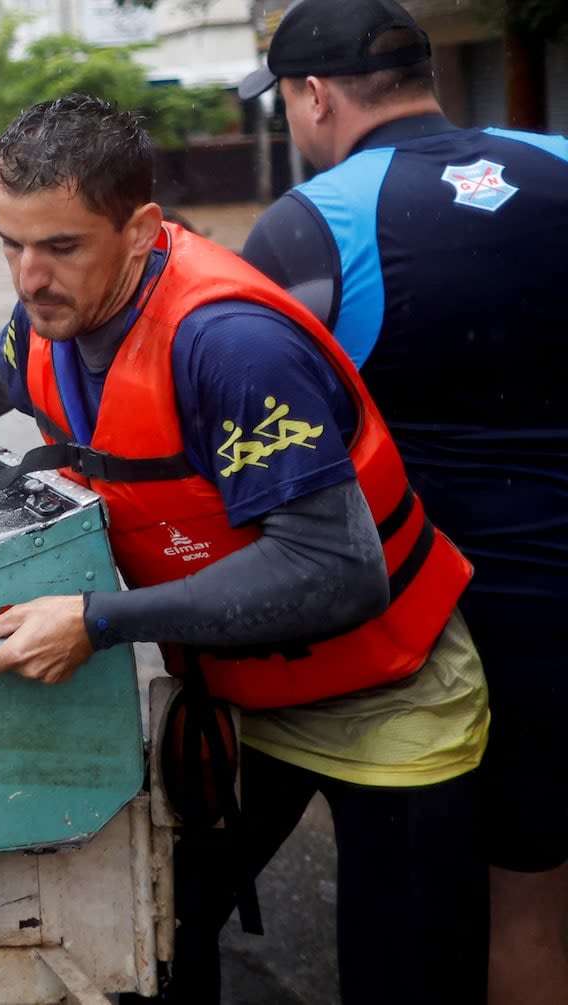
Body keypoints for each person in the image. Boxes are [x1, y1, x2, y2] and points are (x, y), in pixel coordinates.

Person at [0, 95, 489, 1005]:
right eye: (8, 244)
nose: (28, 277)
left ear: (138, 232)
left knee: (400, 977)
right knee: (155, 938)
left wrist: (98, 622)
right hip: (249, 698)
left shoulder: (228, 345)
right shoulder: (54, 319)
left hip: (388, 699)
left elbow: (338, 570)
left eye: (60, 247)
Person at [236, 2, 568, 999]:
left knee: (450, 917)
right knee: (539, 905)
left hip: (448, 635)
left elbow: (247, 430)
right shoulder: (557, 159)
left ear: (316, 94)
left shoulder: (311, 226)